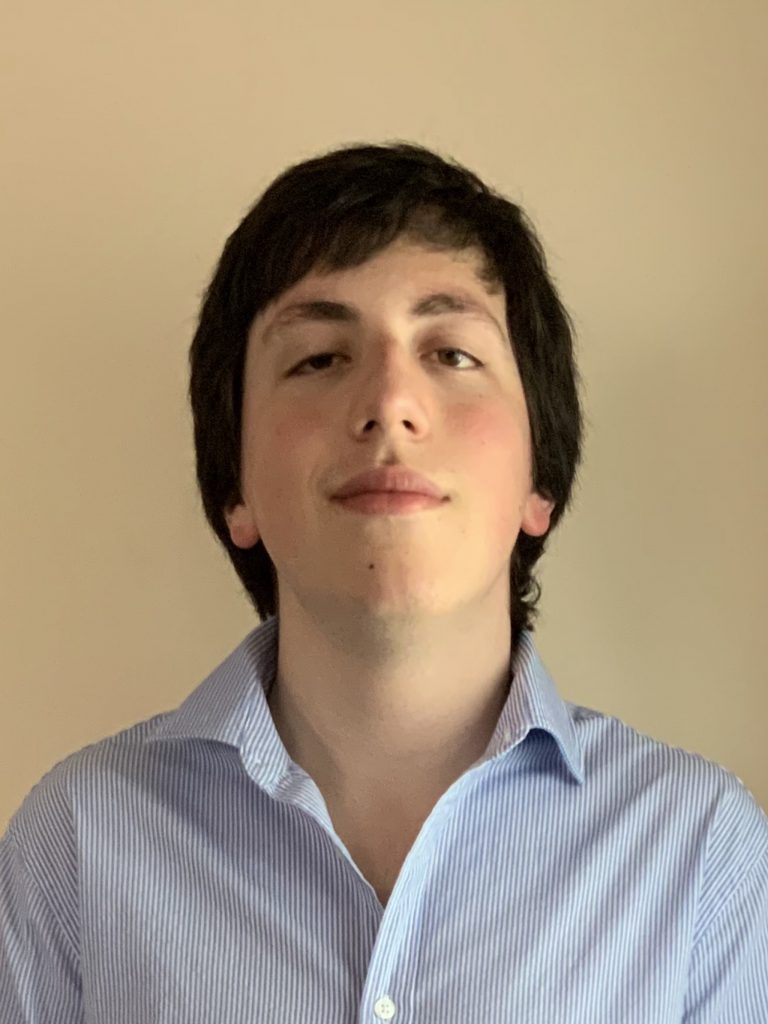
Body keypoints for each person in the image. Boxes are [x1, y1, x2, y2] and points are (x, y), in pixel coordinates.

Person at [1, 142, 766, 1023]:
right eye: (320, 358)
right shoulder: (75, 847)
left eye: (452, 353)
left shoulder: (700, 857)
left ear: (539, 483)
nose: (389, 402)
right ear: (235, 489)